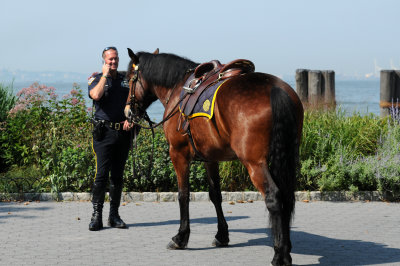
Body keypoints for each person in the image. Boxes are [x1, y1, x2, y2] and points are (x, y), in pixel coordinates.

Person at [88, 46, 132, 231]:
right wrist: (105, 75)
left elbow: (133, 102)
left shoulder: (125, 80)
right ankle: (96, 216)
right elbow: (96, 95)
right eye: (110, 60)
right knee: (101, 176)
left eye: (115, 59)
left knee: (118, 177)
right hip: (103, 133)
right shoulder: (96, 79)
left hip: (122, 133)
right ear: (104, 61)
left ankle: (114, 216)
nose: (113, 62)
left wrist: (131, 119)